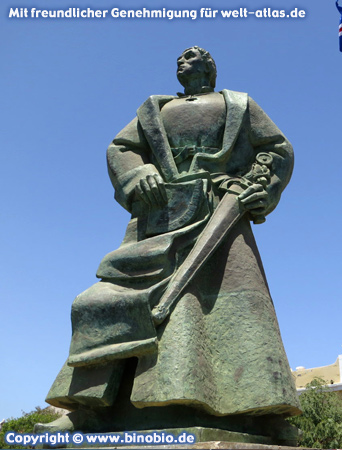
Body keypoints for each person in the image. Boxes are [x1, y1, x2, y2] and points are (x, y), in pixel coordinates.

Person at [41, 46, 299, 444]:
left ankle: (262, 415)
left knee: (241, 311)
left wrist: (259, 187)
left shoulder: (239, 104)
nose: (182, 61)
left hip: (221, 214)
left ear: (209, 67)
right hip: (160, 216)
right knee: (109, 299)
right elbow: (121, 148)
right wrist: (136, 174)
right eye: (180, 57)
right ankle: (89, 410)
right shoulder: (154, 109)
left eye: (192, 56)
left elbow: (277, 148)